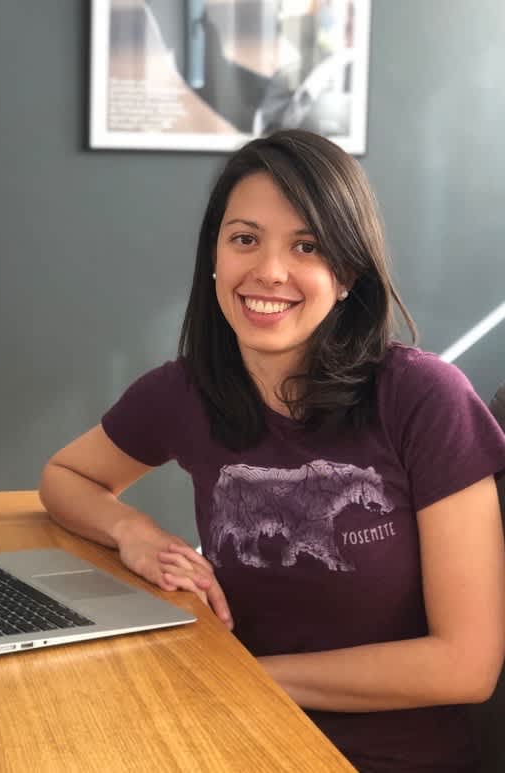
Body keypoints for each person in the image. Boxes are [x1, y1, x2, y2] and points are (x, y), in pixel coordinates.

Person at [39, 130, 505, 773]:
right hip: (229, 734)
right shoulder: (185, 390)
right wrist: (131, 531)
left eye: (307, 246)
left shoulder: (424, 398)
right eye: (245, 238)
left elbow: (466, 665)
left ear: (347, 274)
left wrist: (241, 680)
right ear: (214, 257)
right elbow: (64, 477)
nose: (269, 271)